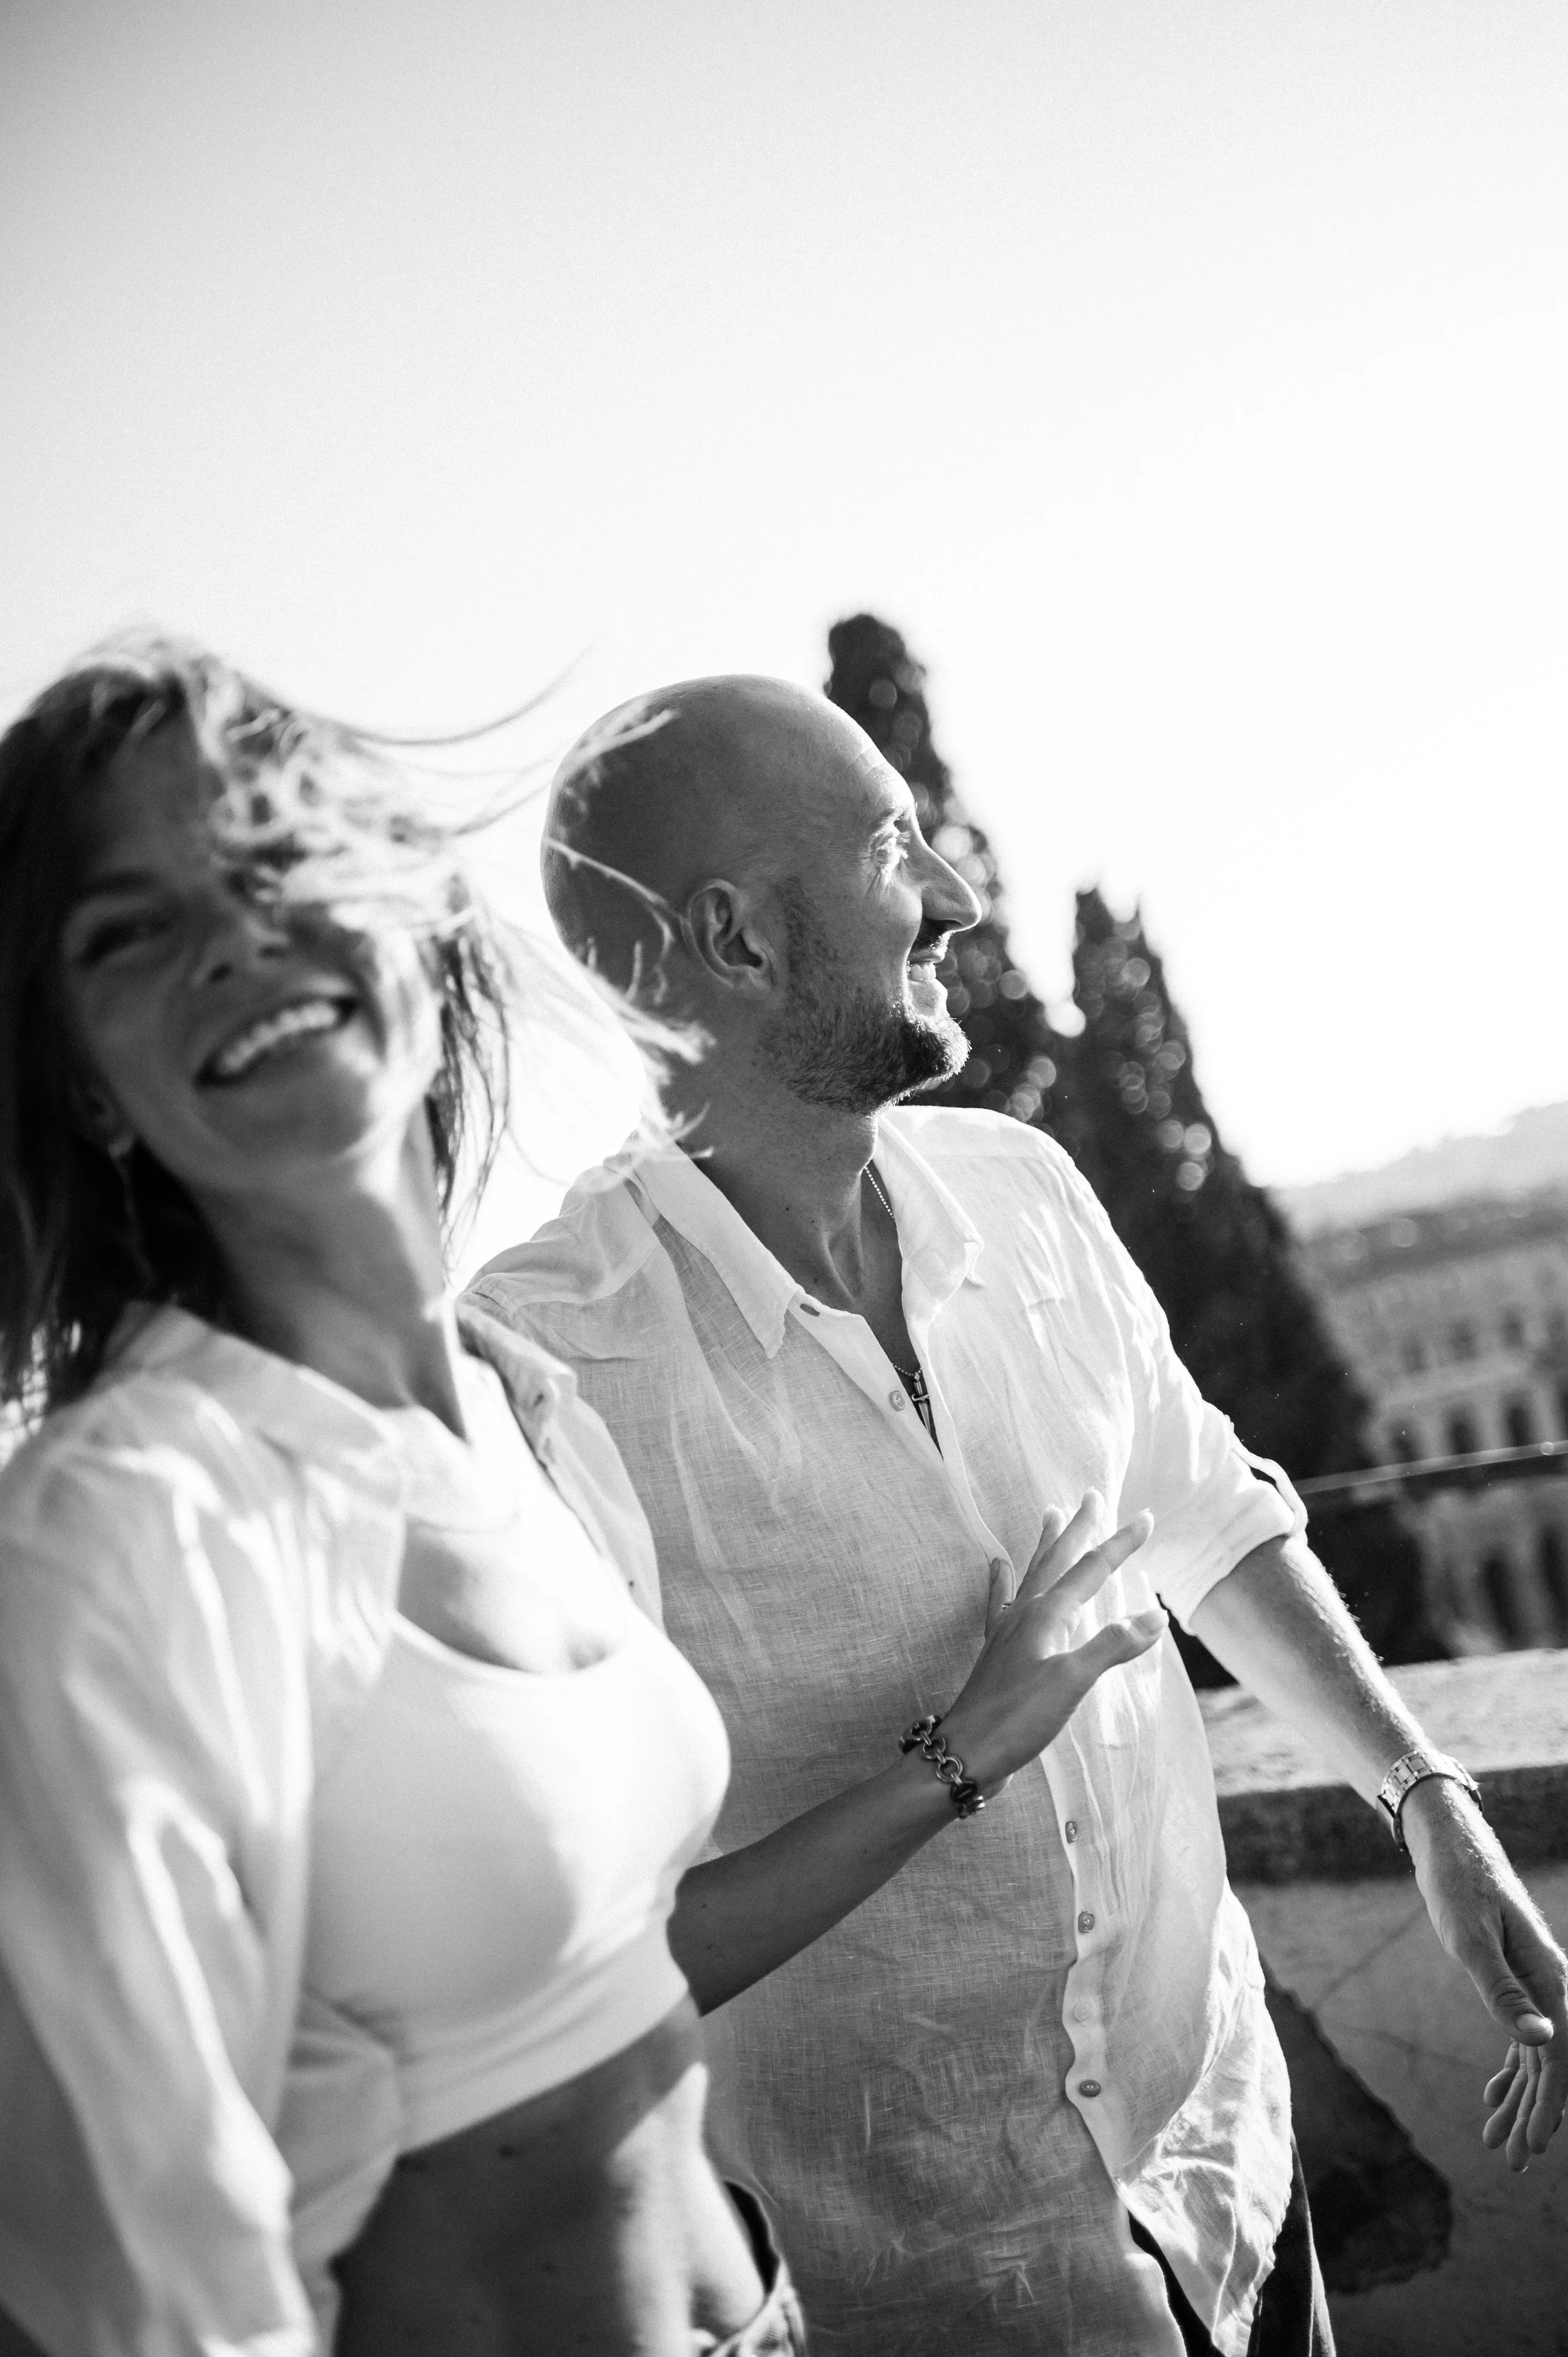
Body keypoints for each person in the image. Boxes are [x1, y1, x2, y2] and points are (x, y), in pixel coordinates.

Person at [0, 639, 1166, 2357]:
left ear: (401, 911)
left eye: (274, 864)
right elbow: (127, 2294)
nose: (236, 937)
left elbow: (622, 1956)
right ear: (84, 1075)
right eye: (130, 930)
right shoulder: (129, 1523)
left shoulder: (515, 1406)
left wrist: (977, 1737)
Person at [468, 673, 1568, 2357]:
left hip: (1230, 2195)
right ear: (740, 938)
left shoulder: (1024, 1185)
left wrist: (1421, 1793)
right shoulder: (542, 1367)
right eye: (895, 846)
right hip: (919, 2287)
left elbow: (1201, 1508)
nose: (958, 896)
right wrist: (958, 1751)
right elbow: (595, 1956)